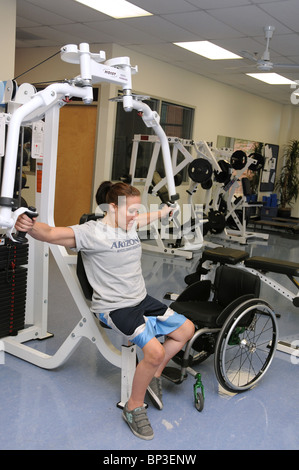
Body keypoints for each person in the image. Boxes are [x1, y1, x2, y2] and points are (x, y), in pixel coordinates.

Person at [15, 181, 194, 440]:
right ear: (112, 207)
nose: (135, 216)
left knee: (186, 329)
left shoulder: (130, 223)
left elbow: (146, 217)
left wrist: (166, 211)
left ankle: (153, 375)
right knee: (154, 352)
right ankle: (133, 407)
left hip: (140, 299)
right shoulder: (92, 232)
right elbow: (52, 233)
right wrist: (29, 226)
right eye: (131, 210)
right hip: (114, 307)